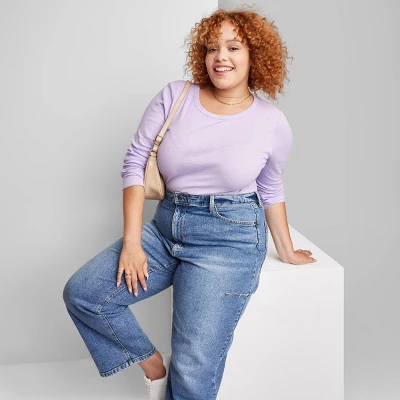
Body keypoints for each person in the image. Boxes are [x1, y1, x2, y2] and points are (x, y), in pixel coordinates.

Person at [63, 6, 317, 400]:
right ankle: (152, 365)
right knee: (85, 294)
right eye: (212, 48)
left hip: (228, 240)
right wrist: (132, 242)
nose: (221, 57)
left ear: (255, 55)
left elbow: (270, 188)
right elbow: (134, 164)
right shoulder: (176, 96)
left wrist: (285, 249)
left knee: (193, 369)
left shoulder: (271, 122)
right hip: (167, 227)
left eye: (233, 47)